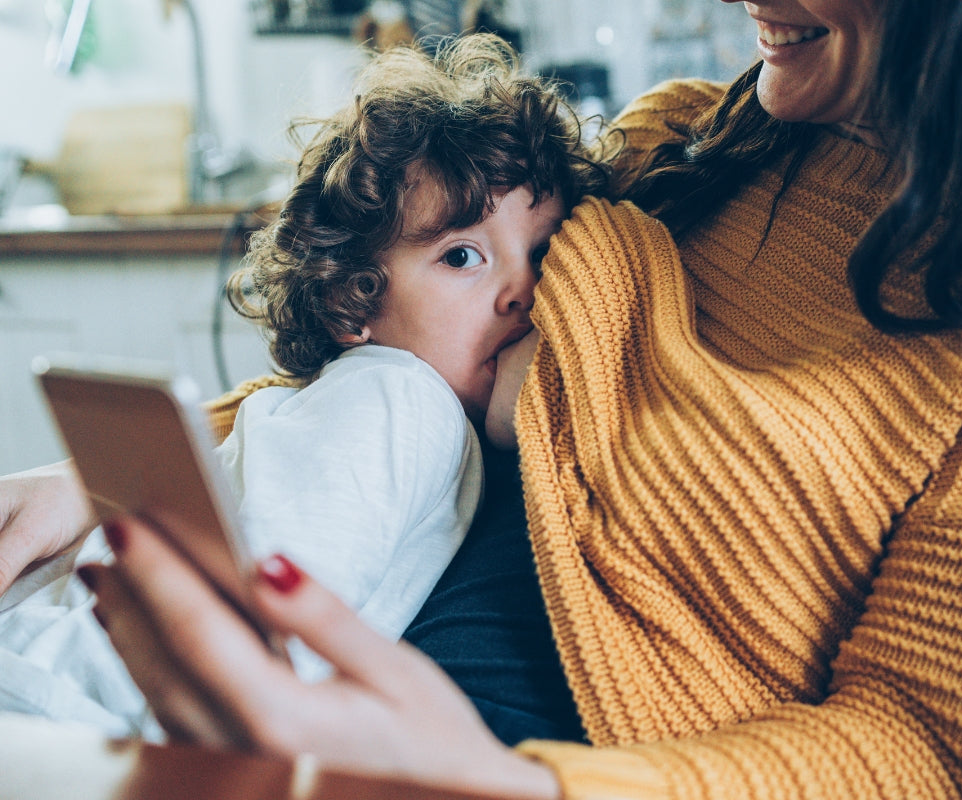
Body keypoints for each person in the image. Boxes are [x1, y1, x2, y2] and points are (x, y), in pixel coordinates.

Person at [2, 0, 962, 797]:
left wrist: (520, 784)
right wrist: (103, 479)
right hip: (297, 692)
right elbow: (417, 363)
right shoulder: (686, 148)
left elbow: (926, 748)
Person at [0, 32, 605, 738]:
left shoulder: (395, 408)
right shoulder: (397, 402)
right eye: (463, 255)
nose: (523, 293)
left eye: (542, 252)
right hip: (57, 699)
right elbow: (234, 627)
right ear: (355, 301)